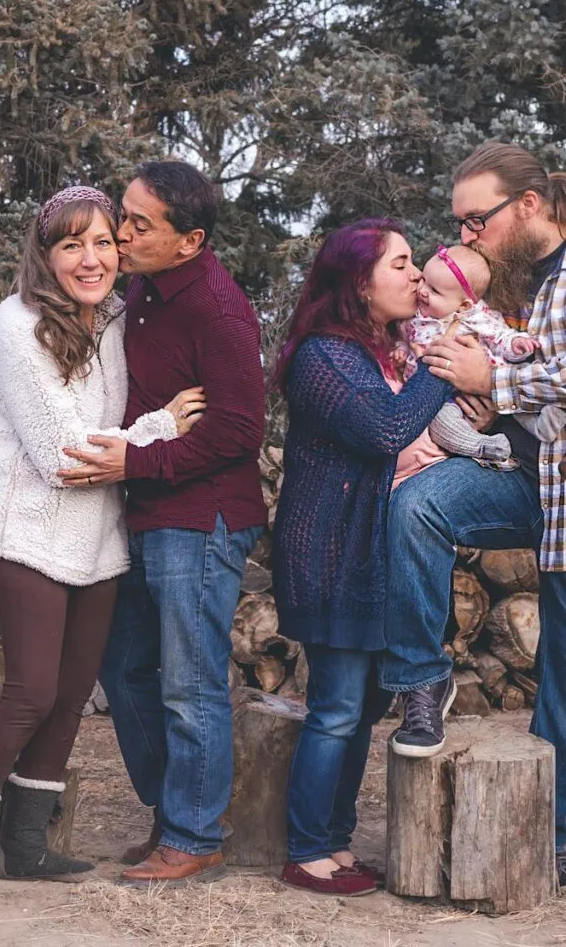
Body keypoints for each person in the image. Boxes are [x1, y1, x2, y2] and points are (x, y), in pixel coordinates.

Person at [0, 186, 205, 903]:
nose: (91, 258)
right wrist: (160, 428)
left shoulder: (115, 318)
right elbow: (62, 457)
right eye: (71, 244)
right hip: (27, 528)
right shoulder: (17, 324)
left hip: (98, 534)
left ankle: (24, 847)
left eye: (103, 242)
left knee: (73, 694)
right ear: (45, 255)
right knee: (31, 692)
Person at [58, 161, 267, 887]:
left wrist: (135, 461)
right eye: (124, 213)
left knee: (189, 681)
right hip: (146, 512)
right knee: (122, 666)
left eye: (139, 225)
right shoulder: (141, 291)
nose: (120, 232)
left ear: (190, 241)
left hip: (201, 520)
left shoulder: (218, 310)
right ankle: (178, 806)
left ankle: (193, 834)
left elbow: (239, 431)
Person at [379, 141, 566, 880]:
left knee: (560, 672)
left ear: (527, 205)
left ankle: (555, 836)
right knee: (417, 505)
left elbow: (528, 371)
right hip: (525, 474)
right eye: (460, 223)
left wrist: (495, 381)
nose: (465, 236)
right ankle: (421, 683)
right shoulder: (518, 279)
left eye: (475, 220)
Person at [271, 220, 451, 896]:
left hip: (366, 555)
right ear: (358, 281)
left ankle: (334, 839)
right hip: (330, 555)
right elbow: (384, 428)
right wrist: (441, 366)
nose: (416, 274)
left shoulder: (377, 352)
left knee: (362, 709)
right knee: (337, 707)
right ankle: (305, 851)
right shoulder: (323, 354)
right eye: (399, 264)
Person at [396, 243, 565, 465]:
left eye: (434, 291)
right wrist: (400, 351)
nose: (423, 290)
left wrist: (515, 344)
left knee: (514, 402)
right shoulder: (415, 316)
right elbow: (404, 341)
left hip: (490, 384)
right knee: (440, 423)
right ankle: (482, 446)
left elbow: (499, 335)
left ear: (464, 305)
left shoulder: (475, 316)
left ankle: (542, 426)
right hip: (445, 397)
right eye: (424, 280)